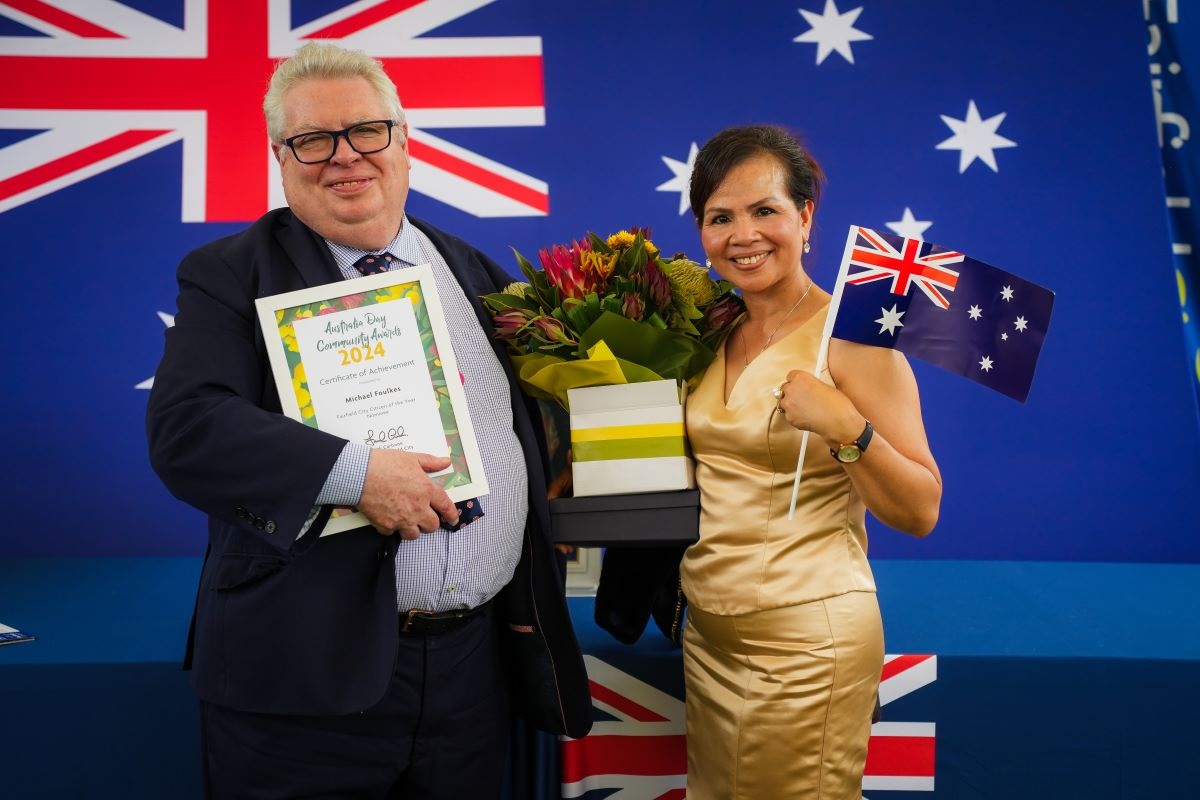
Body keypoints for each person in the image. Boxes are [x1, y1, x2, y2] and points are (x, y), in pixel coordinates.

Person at [146, 42, 591, 799]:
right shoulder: (230, 273)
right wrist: (354, 475)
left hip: (473, 674)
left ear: (404, 137)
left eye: (367, 131)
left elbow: (521, 434)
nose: (344, 157)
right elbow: (188, 427)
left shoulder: (477, 273)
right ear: (280, 159)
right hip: (304, 681)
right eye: (313, 140)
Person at [680, 125, 943, 799]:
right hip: (709, 634)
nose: (743, 235)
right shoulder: (704, 331)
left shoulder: (854, 337)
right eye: (720, 217)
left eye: (764, 210)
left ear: (805, 216)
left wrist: (846, 428)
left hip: (807, 642)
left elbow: (921, 509)